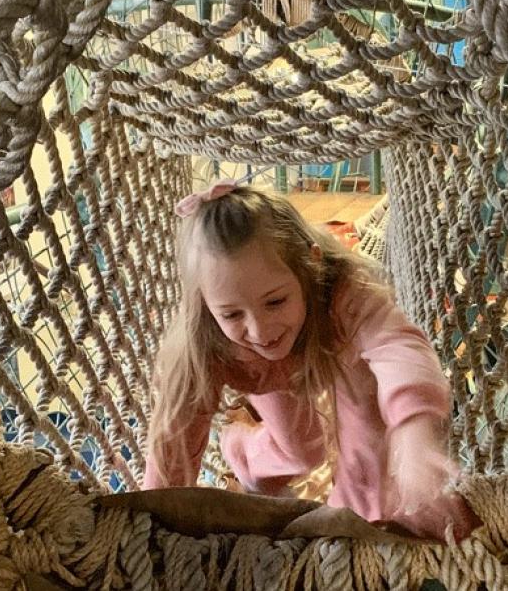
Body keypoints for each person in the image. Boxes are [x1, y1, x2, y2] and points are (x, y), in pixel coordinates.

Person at [142, 181, 477, 541]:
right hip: (262, 376)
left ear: (310, 266)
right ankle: (243, 453)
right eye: (232, 314)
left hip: (334, 357)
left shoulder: (341, 292)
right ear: (206, 304)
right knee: (302, 452)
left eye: (275, 302)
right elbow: (172, 445)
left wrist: (414, 436)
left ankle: (358, 523)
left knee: (369, 431)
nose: (260, 330)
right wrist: (154, 532)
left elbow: (397, 346)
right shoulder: (205, 343)